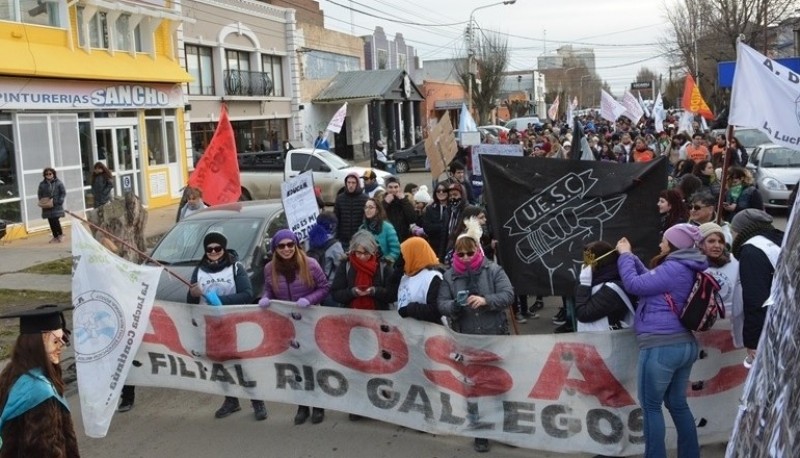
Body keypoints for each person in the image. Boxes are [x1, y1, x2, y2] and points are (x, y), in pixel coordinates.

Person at [616, 224, 708, 458]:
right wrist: (634, 259)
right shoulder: (686, 266)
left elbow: (635, 285)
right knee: (677, 404)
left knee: (651, 407)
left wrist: (625, 256)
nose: (660, 244)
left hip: (661, 346)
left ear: (674, 244)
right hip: (683, 343)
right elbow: (651, 281)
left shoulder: (673, 267)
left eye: (664, 240)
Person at [438, 217, 514, 453]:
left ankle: (507, 427)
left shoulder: (493, 270)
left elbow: (508, 294)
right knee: (472, 388)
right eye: (461, 255)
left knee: (500, 383)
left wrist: (486, 300)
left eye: (470, 253)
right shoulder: (450, 277)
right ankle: (480, 431)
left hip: (494, 336)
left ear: (477, 250)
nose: (466, 258)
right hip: (466, 339)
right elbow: (441, 303)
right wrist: (455, 307)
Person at [186, 232, 265, 420]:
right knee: (221, 364)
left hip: (234, 323)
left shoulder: (236, 267)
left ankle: (257, 401)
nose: (213, 252)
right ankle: (231, 400)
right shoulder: (199, 271)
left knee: (241, 363)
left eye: (217, 248)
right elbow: (191, 302)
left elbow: (247, 293)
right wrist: (194, 293)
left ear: (223, 249)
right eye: (209, 249)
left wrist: (218, 299)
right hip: (212, 325)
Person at [257, 229, 330, 425]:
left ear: (296, 245)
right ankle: (302, 405)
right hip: (286, 324)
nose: (287, 249)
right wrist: (265, 298)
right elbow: (270, 289)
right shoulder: (269, 268)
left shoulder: (310, 264)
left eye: (290, 244)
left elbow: (324, 287)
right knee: (295, 365)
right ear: (275, 249)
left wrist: (309, 299)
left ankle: (319, 405)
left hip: (309, 321)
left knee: (312, 363)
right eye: (281, 246)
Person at [0, 304, 80, 457]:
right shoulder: (40, 393)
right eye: (55, 341)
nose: (61, 347)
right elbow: (45, 450)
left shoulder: (12, 372)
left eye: (63, 339)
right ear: (37, 344)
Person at [729, 209, 783, 367]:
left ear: (741, 231)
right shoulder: (780, 239)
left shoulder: (752, 251)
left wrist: (754, 341)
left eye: (733, 232)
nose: (732, 237)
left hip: (776, 328)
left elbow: (756, 300)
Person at [698, 222, 743, 348]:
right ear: (700, 243)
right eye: (711, 241)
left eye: (720, 241)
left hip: (734, 324)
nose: (717, 245)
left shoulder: (735, 260)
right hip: (705, 327)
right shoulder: (692, 265)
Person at [574, 241, 636, 331]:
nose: (586, 265)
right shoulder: (595, 281)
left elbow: (583, 314)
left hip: (610, 342)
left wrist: (584, 284)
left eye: (589, 261)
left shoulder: (613, 288)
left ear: (599, 262)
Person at [397, 236, 444, 324]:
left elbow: (436, 310)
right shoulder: (408, 274)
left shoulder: (433, 278)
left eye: (405, 256)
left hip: (427, 333)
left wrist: (409, 309)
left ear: (414, 255)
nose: (403, 259)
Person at [360, 197, 400, 264]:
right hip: (366, 266)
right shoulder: (362, 228)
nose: (367, 210)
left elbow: (395, 250)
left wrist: (386, 261)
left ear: (377, 210)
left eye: (371, 207)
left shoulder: (387, 227)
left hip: (382, 266)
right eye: (366, 207)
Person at [334, 173, 368, 251]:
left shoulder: (365, 199)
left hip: (359, 239)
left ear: (357, 184)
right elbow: (336, 218)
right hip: (343, 239)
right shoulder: (340, 198)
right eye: (348, 182)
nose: (351, 185)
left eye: (353, 183)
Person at [420, 183, 452, 262]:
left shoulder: (452, 207)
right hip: (434, 246)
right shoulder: (430, 208)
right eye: (438, 191)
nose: (441, 193)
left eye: (444, 190)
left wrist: (436, 226)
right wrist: (443, 226)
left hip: (448, 245)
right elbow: (427, 228)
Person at [381, 176, 417, 242]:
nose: (393, 190)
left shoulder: (405, 200)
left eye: (396, 187)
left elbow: (412, 218)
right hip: (387, 238)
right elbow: (377, 217)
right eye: (390, 187)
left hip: (403, 237)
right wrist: (385, 203)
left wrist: (404, 201)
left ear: (399, 188)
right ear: (386, 188)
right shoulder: (381, 200)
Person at [38, 167, 66, 243]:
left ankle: (60, 235)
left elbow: (63, 192)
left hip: (56, 205)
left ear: (53, 174)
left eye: (50, 173)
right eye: (46, 174)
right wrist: (43, 201)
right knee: (50, 221)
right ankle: (55, 236)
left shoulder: (58, 183)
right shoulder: (42, 184)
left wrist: (60, 200)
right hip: (47, 205)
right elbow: (39, 194)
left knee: (55, 220)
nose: (48, 175)